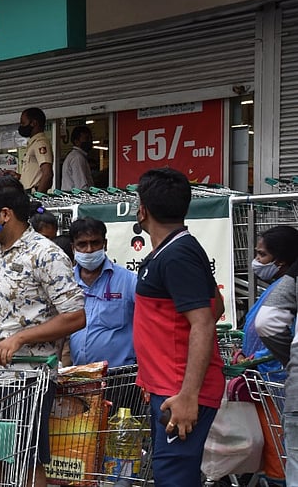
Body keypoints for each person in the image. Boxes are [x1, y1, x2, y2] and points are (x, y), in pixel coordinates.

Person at [0, 176, 85, 487]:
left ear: (5, 214)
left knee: (26, 459)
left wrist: (20, 338)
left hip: (29, 378)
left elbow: (76, 316)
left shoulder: (46, 254)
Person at [130, 168, 223, 486]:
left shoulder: (178, 255)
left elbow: (203, 323)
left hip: (179, 392)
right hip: (168, 386)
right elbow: (216, 306)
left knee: (173, 478)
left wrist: (187, 395)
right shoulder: (176, 249)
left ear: (142, 210)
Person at [67, 217, 137, 367]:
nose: (89, 250)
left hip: (119, 378)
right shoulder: (66, 283)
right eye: (82, 244)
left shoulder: (129, 281)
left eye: (95, 243)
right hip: (78, 376)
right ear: (73, 248)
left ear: (105, 244)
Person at [241, 226, 298, 380]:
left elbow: (287, 334)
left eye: (262, 254)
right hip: (265, 375)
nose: (257, 260)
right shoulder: (277, 287)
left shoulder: (287, 291)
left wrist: (255, 358)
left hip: (277, 376)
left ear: (280, 261)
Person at [17, 107, 53, 193]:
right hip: (28, 193)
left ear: (33, 123)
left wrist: (38, 199)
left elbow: (47, 174)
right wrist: (18, 176)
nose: (21, 126)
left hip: (33, 194)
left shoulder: (40, 143)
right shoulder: (33, 143)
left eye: (23, 123)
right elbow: (35, 177)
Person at [61, 126, 94, 191]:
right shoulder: (77, 158)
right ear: (76, 141)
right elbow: (81, 186)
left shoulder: (75, 156)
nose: (90, 141)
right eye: (86, 139)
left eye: (91, 139)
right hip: (76, 199)